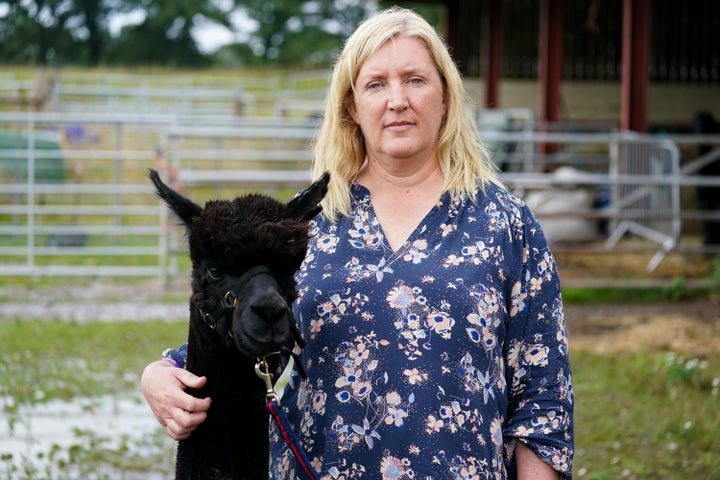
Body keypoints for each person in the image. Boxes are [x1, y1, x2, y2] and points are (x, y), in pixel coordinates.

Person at [141, 7, 574, 479]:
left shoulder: (505, 225)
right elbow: (243, 328)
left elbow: (542, 401)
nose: (397, 100)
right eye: (376, 84)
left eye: (415, 80)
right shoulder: (305, 227)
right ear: (351, 105)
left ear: (446, 96)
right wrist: (162, 374)